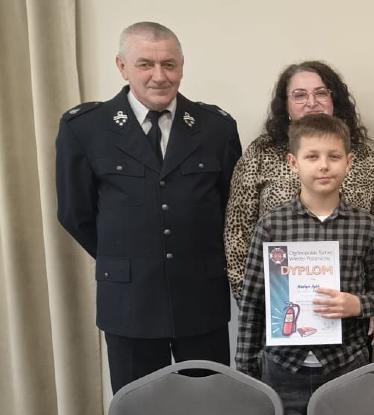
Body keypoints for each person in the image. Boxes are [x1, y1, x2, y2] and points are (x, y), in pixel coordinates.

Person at [56, 22, 241, 392]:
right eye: (145, 64)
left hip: (200, 298)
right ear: (122, 67)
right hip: (129, 301)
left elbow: (231, 210)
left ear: (182, 66)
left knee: (209, 406)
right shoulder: (86, 128)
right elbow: (76, 213)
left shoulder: (216, 127)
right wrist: (129, 257)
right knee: (138, 411)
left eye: (169, 64)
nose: (159, 76)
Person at [235, 114, 374, 415]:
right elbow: (252, 302)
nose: (324, 165)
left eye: (334, 156)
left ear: (349, 162)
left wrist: (358, 305)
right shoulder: (272, 226)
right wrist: (246, 370)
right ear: (293, 163)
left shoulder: (364, 226)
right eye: (312, 156)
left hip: (345, 363)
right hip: (283, 367)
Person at [224, 61, 374, 346]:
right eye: (300, 95)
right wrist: (256, 303)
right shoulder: (260, 153)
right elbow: (237, 235)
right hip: (283, 314)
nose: (311, 102)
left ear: (334, 99)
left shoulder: (362, 155)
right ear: (286, 104)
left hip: (350, 317)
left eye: (321, 93)